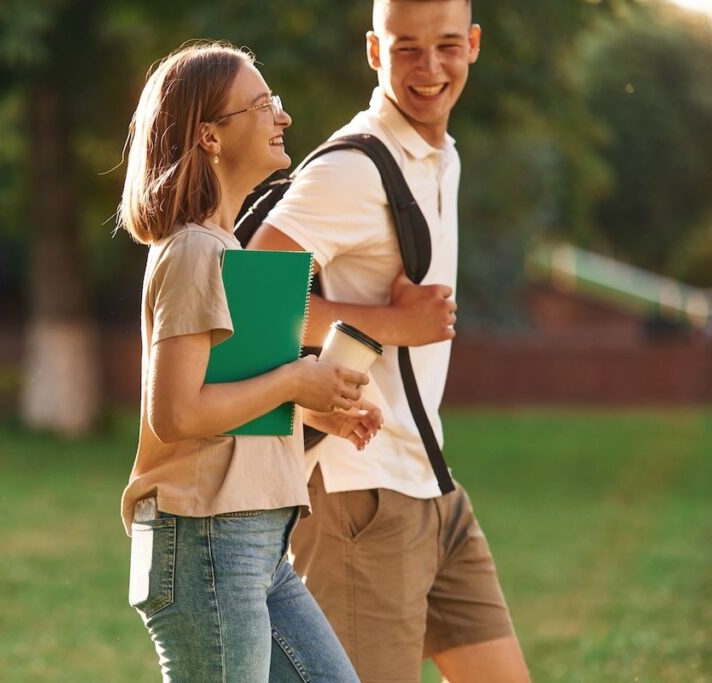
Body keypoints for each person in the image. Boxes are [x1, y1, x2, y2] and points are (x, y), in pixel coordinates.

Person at [247, 2, 532, 682]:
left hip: (433, 485)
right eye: (407, 49)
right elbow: (249, 295)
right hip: (359, 498)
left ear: (473, 44)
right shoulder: (354, 169)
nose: (429, 68)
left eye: (446, 47)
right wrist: (398, 325)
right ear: (375, 50)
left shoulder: (440, 155)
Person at [118, 42, 384, 682]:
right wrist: (296, 377)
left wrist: (314, 407)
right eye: (263, 104)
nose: (282, 118)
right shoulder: (191, 252)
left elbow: (231, 400)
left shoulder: (225, 249)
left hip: (255, 543)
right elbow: (178, 412)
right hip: (207, 540)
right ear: (209, 134)